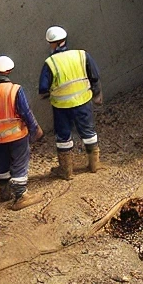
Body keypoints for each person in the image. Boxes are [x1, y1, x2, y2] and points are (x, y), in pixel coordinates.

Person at [0, 56, 42, 209]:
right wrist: (35, 129)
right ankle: (21, 195)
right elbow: (25, 112)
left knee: (2, 162)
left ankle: (4, 192)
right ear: (9, 71)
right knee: (20, 162)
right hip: (16, 134)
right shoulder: (15, 89)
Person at [39, 25, 103, 178]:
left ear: (51, 43)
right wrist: (97, 94)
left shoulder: (50, 62)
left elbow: (42, 88)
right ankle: (94, 164)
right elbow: (95, 75)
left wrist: (49, 92)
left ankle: (67, 171)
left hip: (61, 106)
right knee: (88, 131)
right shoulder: (82, 55)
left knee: (63, 137)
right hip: (83, 101)